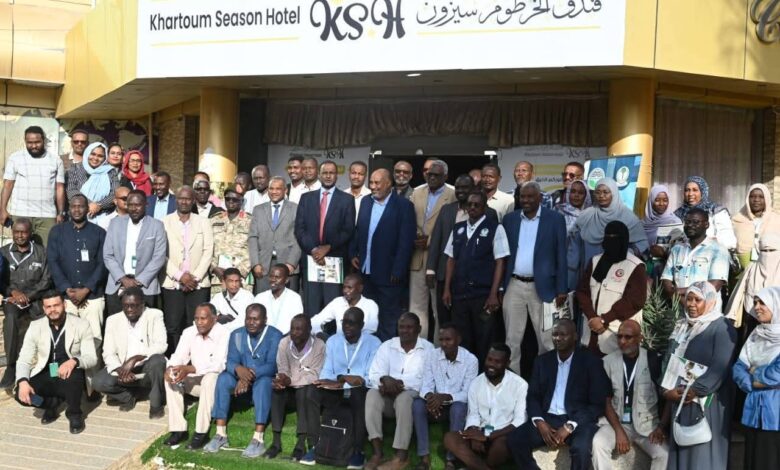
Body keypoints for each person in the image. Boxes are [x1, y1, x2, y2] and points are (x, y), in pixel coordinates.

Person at [508, 318, 610, 470]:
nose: (558, 338)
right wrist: (539, 421)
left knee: (581, 449)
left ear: (575, 336)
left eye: (563, 335)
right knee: (516, 439)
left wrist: (570, 426)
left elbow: (597, 404)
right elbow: (533, 396)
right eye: (555, 334)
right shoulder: (542, 361)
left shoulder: (590, 362)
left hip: (578, 420)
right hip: (547, 419)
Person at [662, 282, 736, 470]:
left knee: (702, 454)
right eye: (689, 299)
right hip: (681, 399)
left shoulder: (722, 327)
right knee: (682, 449)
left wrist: (695, 391)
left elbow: (720, 367)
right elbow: (670, 360)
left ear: (710, 301)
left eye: (698, 300)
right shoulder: (682, 326)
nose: (691, 304)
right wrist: (667, 391)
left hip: (707, 402)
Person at [502, 182, 568, 372]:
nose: (526, 200)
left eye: (530, 196)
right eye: (522, 196)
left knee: (547, 340)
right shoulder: (510, 219)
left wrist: (561, 289)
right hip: (514, 285)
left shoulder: (555, 219)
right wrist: (500, 288)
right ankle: (513, 383)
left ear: (539, 198)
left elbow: (561, 255)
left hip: (544, 288)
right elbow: (502, 256)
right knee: (512, 340)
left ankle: (545, 382)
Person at [203, 303, 283, 457]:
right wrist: (238, 369)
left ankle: (258, 439)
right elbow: (230, 360)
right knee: (223, 378)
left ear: (265, 320)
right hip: (240, 380)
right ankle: (220, 434)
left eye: (255, 319)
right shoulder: (237, 334)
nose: (251, 323)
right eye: (248, 319)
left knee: (264, 382)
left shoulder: (275, 335)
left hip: (261, 379)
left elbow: (273, 365)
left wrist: (248, 375)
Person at [14, 291, 97, 434]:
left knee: (74, 377)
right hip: (47, 372)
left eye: (56, 305)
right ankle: (49, 404)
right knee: (20, 395)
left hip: (70, 372)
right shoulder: (35, 326)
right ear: (44, 308)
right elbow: (24, 359)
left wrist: (74, 361)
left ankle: (74, 413)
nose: (53, 309)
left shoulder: (81, 325)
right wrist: (22, 381)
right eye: (48, 306)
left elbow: (91, 358)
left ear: (64, 305)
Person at [442, 190, 509, 366]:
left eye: (477, 205)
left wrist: (494, 294)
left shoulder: (495, 228)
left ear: (484, 207)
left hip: (482, 296)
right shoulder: (458, 228)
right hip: (459, 294)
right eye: (469, 204)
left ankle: (483, 376)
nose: (472, 208)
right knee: (462, 340)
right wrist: (447, 289)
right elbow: (451, 259)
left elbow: (500, 262)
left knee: (484, 338)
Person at [591, 320, 668, 470]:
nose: (622, 341)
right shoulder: (606, 362)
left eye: (628, 337)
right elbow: (605, 401)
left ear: (640, 338)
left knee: (664, 454)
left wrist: (661, 427)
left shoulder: (654, 360)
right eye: (619, 336)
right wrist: (619, 430)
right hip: (616, 423)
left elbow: (667, 397)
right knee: (598, 443)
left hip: (647, 426)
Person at [351, 168, 416, 341]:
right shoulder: (366, 201)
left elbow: (406, 241)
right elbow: (359, 231)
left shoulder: (404, 206)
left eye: (377, 183)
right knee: (368, 317)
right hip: (366, 272)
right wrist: (354, 253)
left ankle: (386, 351)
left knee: (388, 318)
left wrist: (398, 269)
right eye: (371, 183)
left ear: (388, 184)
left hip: (389, 274)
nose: (373, 186)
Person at [427, 175, 498, 329]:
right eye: (458, 187)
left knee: (473, 325)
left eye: (465, 188)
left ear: (473, 189)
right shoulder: (446, 209)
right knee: (444, 320)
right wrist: (430, 269)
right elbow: (436, 239)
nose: (460, 191)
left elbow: (495, 254)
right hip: (446, 275)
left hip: (476, 283)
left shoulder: (489, 213)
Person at [314, 307, 382, 469]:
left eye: (352, 323)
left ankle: (358, 451)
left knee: (358, 395)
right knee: (311, 393)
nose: (347, 327)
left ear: (362, 325)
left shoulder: (374, 343)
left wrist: (344, 380)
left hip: (360, 390)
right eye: (344, 322)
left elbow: (368, 377)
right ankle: (315, 445)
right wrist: (341, 379)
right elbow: (326, 372)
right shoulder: (333, 341)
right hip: (335, 387)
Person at [365, 313, 434, 470]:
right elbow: (374, 374)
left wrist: (398, 384)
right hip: (387, 396)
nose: (404, 331)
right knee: (372, 394)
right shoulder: (387, 346)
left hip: (411, 396)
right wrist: (384, 379)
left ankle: (401, 456)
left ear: (419, 329)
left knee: (404, 398)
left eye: (409, 327)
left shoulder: (428, 349)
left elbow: (427, 380)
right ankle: (377, 453)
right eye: (401, 327)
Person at [443, 343, 526, 470]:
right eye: (489, 359)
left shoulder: (520, 385)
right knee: (450, 438)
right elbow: (473, 414)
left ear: (507, 363)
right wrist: (474, 434)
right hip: (481, 431)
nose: (491, 365)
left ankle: (475, 465)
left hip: (502, 434)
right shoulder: (476, 383)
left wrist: (489, 436)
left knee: (501, 446)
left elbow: (520, 420)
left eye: (497, 362)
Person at [164, 303, 230, 450]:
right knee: (170, 378)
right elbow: (179, 355)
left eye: (203, 318)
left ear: (214, 319)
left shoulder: (224, 333)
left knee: (210, 378)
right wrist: (170, 368)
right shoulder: (189, 332)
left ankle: (201, 432)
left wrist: (191, 368)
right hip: (195, 381)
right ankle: (178, 429)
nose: (199, 322)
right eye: (196, 318)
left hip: (214, 385)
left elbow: (219, 365)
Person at [93, 287, 167, 418]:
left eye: (134, 305)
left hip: (146, 366)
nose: (129, 309)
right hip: (124, 368)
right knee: (98, 382)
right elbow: (108, 352)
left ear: (142, 304)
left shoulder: (155, 315)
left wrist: (136, 358)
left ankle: (156, 404)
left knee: (158, 361)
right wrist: (120, 369)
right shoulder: (113, 320)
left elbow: (161, 345)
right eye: (126, 306)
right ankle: (129, 396)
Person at [47, 194, 107, 352]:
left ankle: (93, 370)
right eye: (73, 206)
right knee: (68, 342)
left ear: (87, 209)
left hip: (92, 297)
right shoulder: (57, 232)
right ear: (69, 209)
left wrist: (86, 289)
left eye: (81, 206)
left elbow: (103, 263)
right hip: (66, 298)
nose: (77, 210)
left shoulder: (99, 233)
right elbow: (52, 262)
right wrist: (67, 289)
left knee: (94, 341)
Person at [577, 221, 647, 355]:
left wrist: (604, 319)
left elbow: (634, 301)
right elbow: (582, 291)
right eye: (608, 236)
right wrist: (592, 317)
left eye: (615, 238)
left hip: (615, 338)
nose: (611, 241)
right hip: (590, 335)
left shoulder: (635, 266)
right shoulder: (595, 261)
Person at [295, 160, 356, 315]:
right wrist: (315, 250)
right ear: (319, 175)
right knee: (311, 307)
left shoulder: (347, 199)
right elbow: (299, 229)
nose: (328, 176)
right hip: (311, 259)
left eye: (332, 173)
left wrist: (328, 247)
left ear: (337, 175)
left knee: (332, 307)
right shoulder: (306, 198)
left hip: (334, 260)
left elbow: (348, 230)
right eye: (325, 173)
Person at [415, 324, 478, 470]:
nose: (444, 344)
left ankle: (451, 459)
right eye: (441, 339)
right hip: (435, 406)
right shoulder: (432, 355)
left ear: (458, 339)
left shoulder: (470, 360)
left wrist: (446, 397)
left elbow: (468, 393)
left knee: (458, 407)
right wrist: (431, 398)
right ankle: (424, 457)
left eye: (448, 339)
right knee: (417, 405)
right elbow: (425, 384)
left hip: (455, 405)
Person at [161, 186, 214, 355]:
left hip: (198, 284)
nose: (184, 202)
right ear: (176, 200)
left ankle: (195, 360)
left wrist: (194, 277)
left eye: (188, 199)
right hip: (172, 282)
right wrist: (179, 276)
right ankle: (175, 360)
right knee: (173, 325)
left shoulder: (203, 222)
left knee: (197, 324)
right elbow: (161, 254)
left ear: (193, 201)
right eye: (181, 198)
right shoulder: (164, 222)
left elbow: (208, 251)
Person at [0, 218, 52, 389]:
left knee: (50, 324)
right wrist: (11, 292)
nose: (20, 235)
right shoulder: (3, 253)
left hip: (36, 299)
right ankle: (11, 366)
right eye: (16, 232)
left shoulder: (41, 252)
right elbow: (0, 281)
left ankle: (51, 368)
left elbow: (46, 280)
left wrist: (28, 296)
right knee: (11, 319)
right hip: (12, 300)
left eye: (23, 232)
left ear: (30, 233)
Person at [733, 286, 780, 470]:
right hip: (753, 410)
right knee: (753, 460)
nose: (757, 307)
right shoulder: (755, 335)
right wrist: (753, 384)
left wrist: (754, 370)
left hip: (775, 414)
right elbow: (738, 369)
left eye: (763, 303)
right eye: (755, 302)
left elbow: (777, 374)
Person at [269, 315, 326, 463]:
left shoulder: (319, 345)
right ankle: (276, 442)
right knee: (276, 390)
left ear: (309, 330)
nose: (294, 332)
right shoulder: (284, 343)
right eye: (292, 329)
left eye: (299, 329)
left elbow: (313, 374)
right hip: (289, 389)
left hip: (306, 391)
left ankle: (301, 443)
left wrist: (290, 380)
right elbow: (282, 368)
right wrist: (281, 378)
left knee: (304, 390)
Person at [409, 159, 456, 339]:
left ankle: (438, 347)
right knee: (417, 309)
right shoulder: (417, 192)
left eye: (437, 175)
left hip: (439, 260)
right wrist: (414, 237)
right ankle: (419, 348)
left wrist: (430, 241)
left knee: (439, 310)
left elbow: (453, 228)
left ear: (445, 176)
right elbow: (410, 219)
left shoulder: (453, 194)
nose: (432, 178)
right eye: (430, 174)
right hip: (417, 257)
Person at [103, 190, 167, 316]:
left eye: (138, 205)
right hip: (118, 284)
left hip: (145, 286)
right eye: (130, 205)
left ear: (146, 205)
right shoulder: (115, 223)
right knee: (117, 324)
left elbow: (159, 257)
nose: (134, 209)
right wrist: (123, 279)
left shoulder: (157, 226)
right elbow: (108, 255)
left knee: (145, 324)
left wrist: (139, 281)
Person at [0, 126, 66, 245]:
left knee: (46, 250)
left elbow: (59, 188)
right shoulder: (15, 158)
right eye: (30, 142)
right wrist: (2, 209)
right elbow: (8, 185)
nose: (34, 146)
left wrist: (61, 213)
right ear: (25, 141)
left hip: (47, 215)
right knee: (20, 250)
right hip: (20, 213)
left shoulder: (56, 160)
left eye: (37, 142)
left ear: (43, 140)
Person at [570, 178, 648, 276]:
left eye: (605, 192)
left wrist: (627, 252)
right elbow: (575, 245)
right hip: (589, 269)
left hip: (617, 272)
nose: (601, 196)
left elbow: (643, 243)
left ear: (614, 193)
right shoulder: (586, 216)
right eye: (598, 192)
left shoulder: (628, 217)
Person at [661, 208, 730, 303]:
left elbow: (714, 286)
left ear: (706, 225)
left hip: (706, 309)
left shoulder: (718, 250)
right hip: (678, 309)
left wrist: (680, 292)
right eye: (687, 222)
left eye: (695, 222)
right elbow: (666, 279)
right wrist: (682, 301)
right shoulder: (677, 249)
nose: (690, 225)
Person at [250, 176, 301, 293]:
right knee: (263, 300)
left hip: (288, 264)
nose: (274, 192)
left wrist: (291, 263)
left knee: (287, 300)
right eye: (271, 188)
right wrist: (255, 263)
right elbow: (253, 238)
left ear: (285, 190)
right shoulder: (258, 210)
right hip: (263, 265)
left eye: (278, 189)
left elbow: (299, 238)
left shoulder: (295, 209)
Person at [726, 233, 780, 327]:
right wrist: (732, 314)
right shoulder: (751, 268)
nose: (767, 254)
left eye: (772, 250)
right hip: (752, 317)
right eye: (764, 251)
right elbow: (739, 293)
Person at [674, 176, 736, 251]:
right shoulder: (678, 214)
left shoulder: (716, 211)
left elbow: (729, 241)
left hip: (712, 254)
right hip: (683, 254)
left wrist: (706, 244)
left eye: (695, 190)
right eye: (687, 190)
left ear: (703, 192)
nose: (690, 194)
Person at [310, 273, 379, 337]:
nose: (345, 291)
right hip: (338, 344)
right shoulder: (338, 302)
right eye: (344, 287)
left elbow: (370, 331)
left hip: (362, 344)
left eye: (349, 287)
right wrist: (320, 334)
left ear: (360, 288)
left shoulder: (370, 305)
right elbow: (315, 321)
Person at [210, 186, 251, 289]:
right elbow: (207, 247)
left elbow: (256, 249)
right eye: (228, 199)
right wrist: (214, 267)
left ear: (241, 201)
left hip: (242, 279)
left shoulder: (251, 221)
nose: (231, 202)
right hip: (219, 277)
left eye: (235, 199)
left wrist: (239, 272)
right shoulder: (214, 220)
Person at [66, 142, 119, 221]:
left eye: (100, 156)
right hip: (78, 214)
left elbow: (115, 193)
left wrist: (99, 205)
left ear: (105, 157)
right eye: (93, 154)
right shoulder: (75, 168)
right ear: (87, 153)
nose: (95, 158)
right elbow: (71, 190)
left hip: (103, 217)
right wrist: (89, 203)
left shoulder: (110, 171)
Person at [732, 183, 780, 269]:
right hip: (743, 267)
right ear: (747, 199)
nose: (756, 200)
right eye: (752, 196)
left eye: (761, 197)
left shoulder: (776, 220)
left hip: (771, 267)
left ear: (767, 199)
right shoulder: (737, 219)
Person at [642, 184, 683, 279]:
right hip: (644, 268)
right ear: (651, 201)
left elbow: (681, 249)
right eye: (657, 200)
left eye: (665, 200)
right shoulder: (641, 224)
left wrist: (664, 253)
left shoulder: (675, 222)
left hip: (667, 271)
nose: (661, 203)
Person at [254, 264, 304, 334]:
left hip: (287, 337)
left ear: (286, 280)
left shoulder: (294, 298)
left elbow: (297, 323)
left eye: (277, 277)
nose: (273, 280)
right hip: (263, 337)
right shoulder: (260, 297)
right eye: (271, 276)